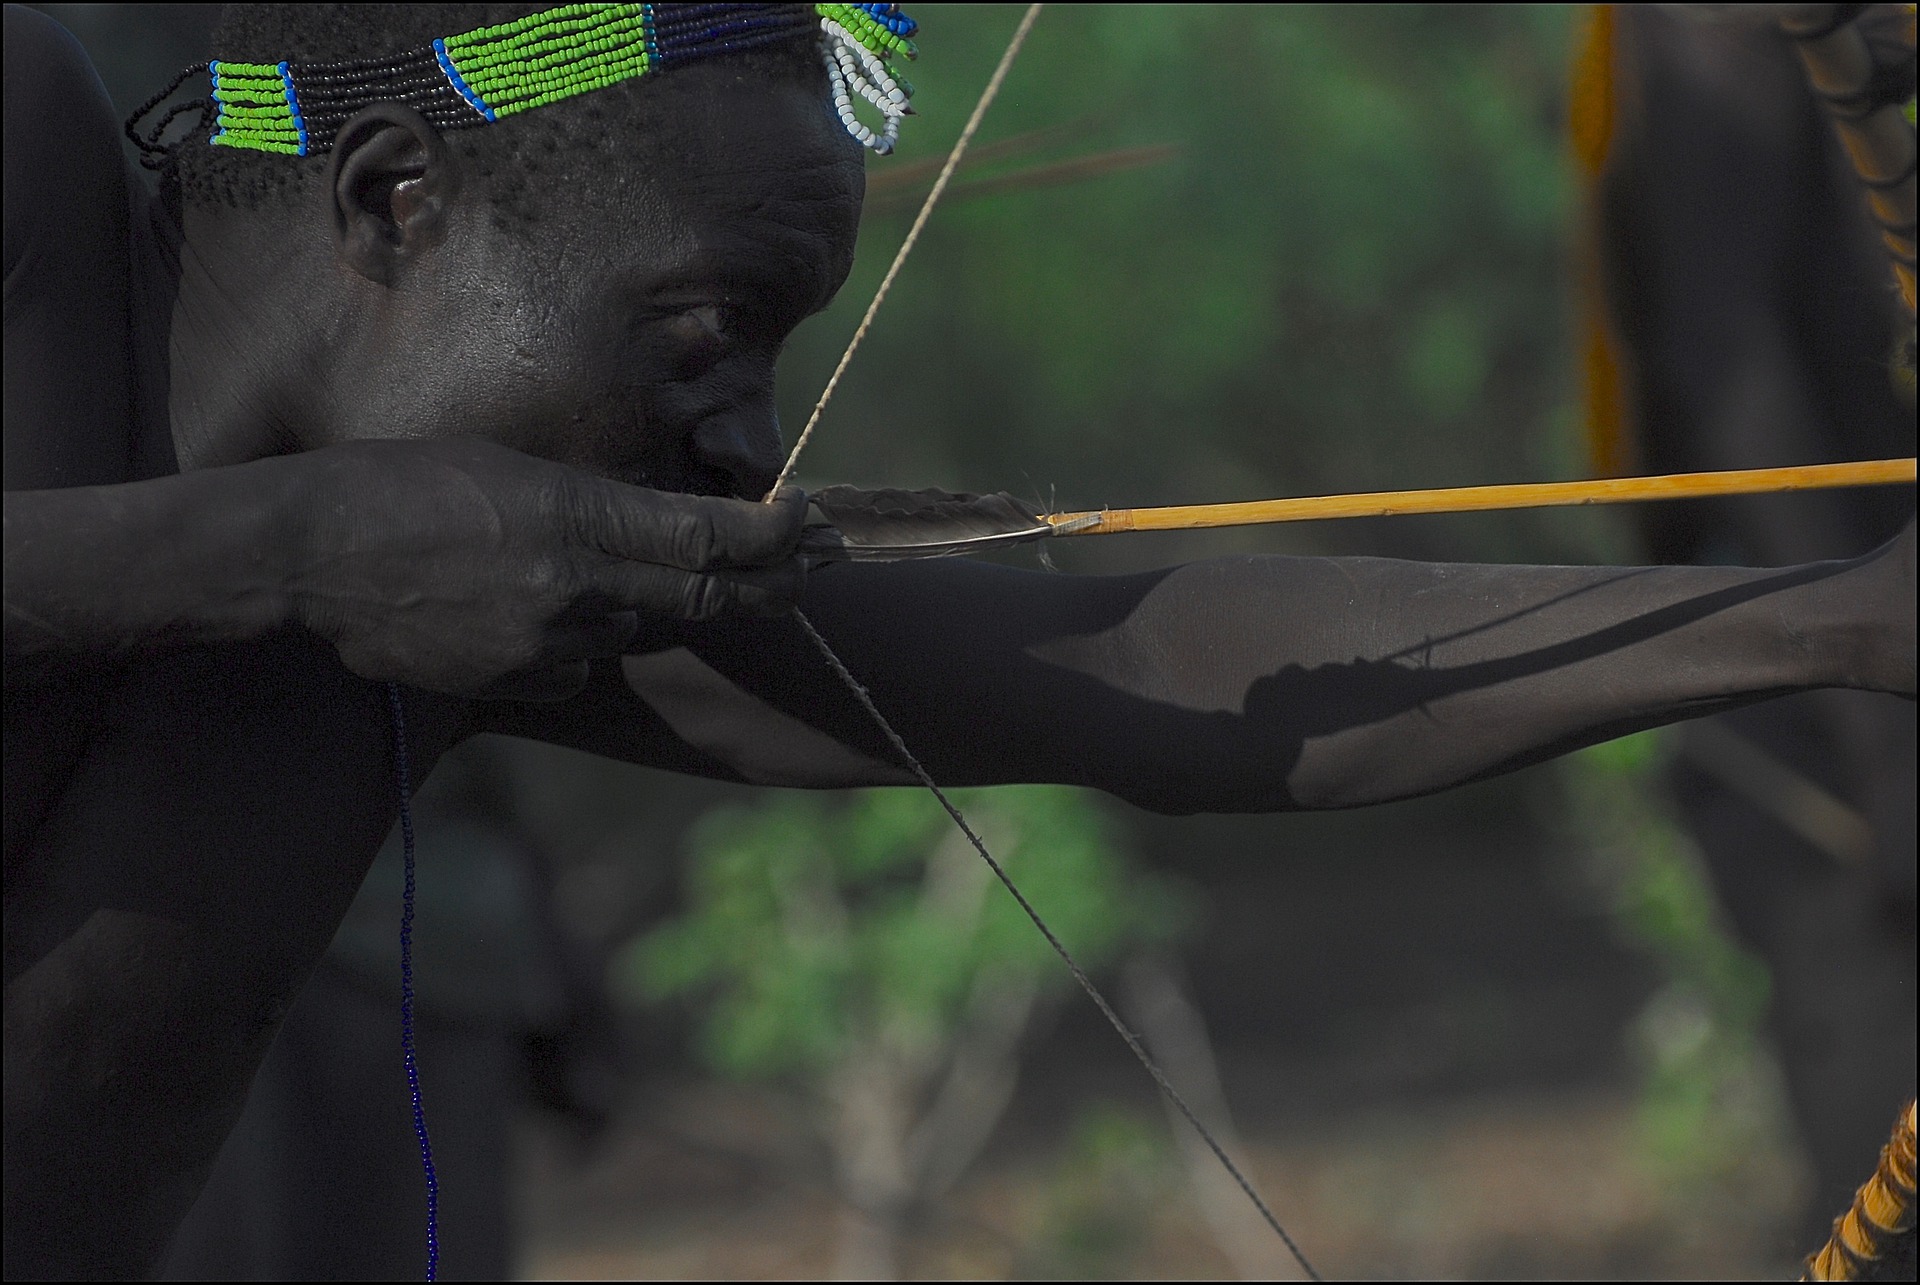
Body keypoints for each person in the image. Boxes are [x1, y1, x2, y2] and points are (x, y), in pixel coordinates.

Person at [4, 4, 1913, 1277]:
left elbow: (1146, 663)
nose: (750, 436)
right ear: (391, 199)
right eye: (701, 331)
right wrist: (272, 550)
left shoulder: (474, 594)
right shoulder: (30, 177)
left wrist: (1835, 618)